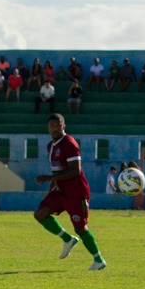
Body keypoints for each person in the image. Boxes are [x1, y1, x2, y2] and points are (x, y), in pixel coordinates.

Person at [35, 113, 107, 271]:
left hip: (76, 192)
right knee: (40, 214)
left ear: (64, 126)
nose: (54, 128)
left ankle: (99, 261)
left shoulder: (69, 143)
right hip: (61, 191)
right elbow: (57, 170)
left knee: (80, 228)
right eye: (52, 125)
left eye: (58, 125)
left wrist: (49, 178)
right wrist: (51, 188)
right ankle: (68, 239)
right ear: (47, 127)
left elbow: (75, 170)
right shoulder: (51, 146)